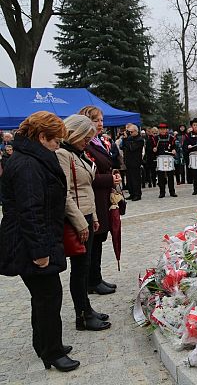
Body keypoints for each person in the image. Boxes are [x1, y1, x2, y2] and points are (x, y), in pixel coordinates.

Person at [0, 112, 80, 372]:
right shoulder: (28, 165)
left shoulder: (31, 158)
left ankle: (46, 344)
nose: (58, 146)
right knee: (48, 298)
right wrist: (40, 252)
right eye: (56, 141)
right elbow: (31, 211)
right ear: (42, 137)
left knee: (44, 297)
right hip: (32, 244)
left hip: (38, 239)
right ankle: (51, 352)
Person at [56, 115, 111, 332]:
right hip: (77, 218)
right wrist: (80, 223)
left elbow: (86, 189)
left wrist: (94, 218)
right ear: (74, 132)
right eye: (85, 138)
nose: (87, 142)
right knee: (79, 269)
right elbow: (66, 193)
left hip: (87, 215)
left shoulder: (77, 153)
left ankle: (86, 309)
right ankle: (83, 315)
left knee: (84, 266)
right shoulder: (63, 154)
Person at [80, 106, 121, 295]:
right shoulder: (84, 144)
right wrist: (109, 179)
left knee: (99, 240)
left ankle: (96, 277)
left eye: (102, 120)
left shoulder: (99, 142)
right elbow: (87, 176)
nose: (100, 124)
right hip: (93, 197)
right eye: (96, 120)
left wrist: (113, 176)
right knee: (94, 241)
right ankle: (91, 280)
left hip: (103, 196)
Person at [121, 124, 144, 201]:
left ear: (135, 131)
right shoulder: (129, 139)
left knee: (135, 179)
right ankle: (132, 193)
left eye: (130, 132)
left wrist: (127, 139)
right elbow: (122, 147)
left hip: (135, 162)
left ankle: (137, 194)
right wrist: (124, 139)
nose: (129, 133)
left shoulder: (140, 139)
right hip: (128, 161)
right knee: (129, 179)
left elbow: (132, 148)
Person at [154, 123, 177, 198]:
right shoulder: (155, 138)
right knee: (160, 177)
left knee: (170, 176)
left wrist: (173, 150)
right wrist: (154, 150)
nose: (163, 130)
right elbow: (151, 149)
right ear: (159, 130)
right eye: (161, 129)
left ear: (167, 130)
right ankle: (162, 192)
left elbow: (174, 147)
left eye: (164, 129)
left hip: (169, 158)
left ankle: (172, 191)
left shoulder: (171, 138)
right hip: (160, 159)